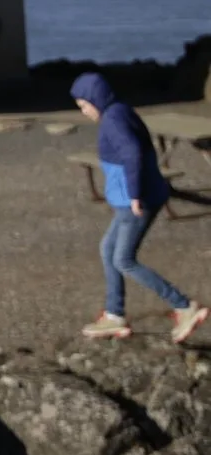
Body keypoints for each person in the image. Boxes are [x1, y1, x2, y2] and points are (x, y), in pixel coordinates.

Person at [72, 70, 205, 342]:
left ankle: (184, 306)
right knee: (108, 249)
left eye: (84, 105)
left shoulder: (113, 120)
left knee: (123, 259)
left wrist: (134, 195)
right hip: (134, 198)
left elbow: (132, 153)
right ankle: (113, 315)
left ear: (95, 99)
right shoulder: (118, 111)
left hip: (137, 201)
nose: (84, 111)